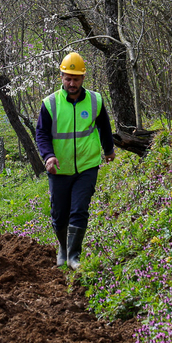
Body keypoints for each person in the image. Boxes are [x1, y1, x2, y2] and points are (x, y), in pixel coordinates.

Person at [36, 52, 115, 269]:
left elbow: (105, 127)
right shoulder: (50, 104)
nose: (72, 83)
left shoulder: (95, 100)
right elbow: (41, 134)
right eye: (68, 78)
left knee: (79, 209)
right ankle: (63, 248)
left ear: (83, 78)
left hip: (87, 166)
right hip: (59, 168)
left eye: (76, 79)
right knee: (59, 212)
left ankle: (73, 256)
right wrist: (49, 156)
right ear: (61, 77)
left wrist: (109, 150)